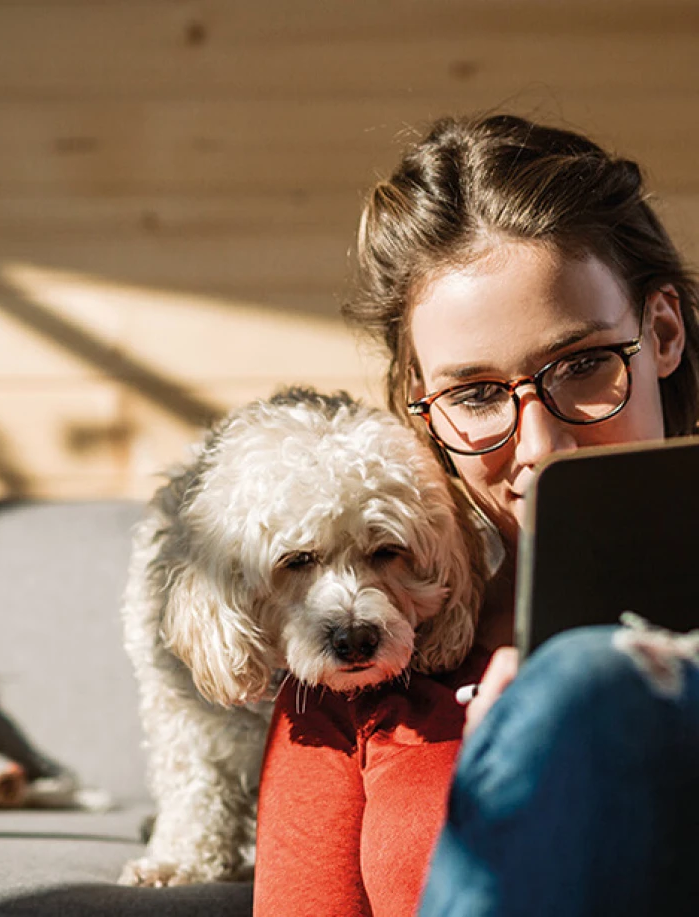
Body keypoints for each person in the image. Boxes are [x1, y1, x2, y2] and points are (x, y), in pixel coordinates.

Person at [253, 113, 699, 917]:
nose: (543, 443)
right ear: (423, 412)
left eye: (586, 364)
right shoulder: (356, 674)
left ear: (660, 332)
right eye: (476, 394)